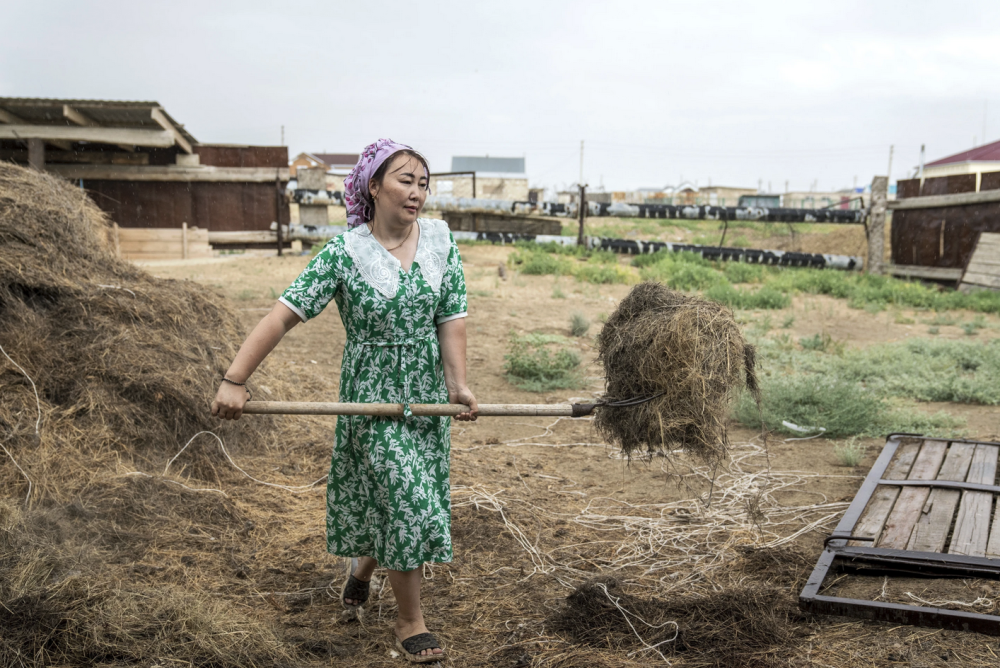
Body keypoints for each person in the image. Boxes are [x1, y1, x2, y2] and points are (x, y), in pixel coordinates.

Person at [211, 138, 477, 663]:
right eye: (405, 180)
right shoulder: (344, 253)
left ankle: (362, 568)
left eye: (424, 183)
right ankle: (409, 621)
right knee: (405, 497)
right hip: (370, 396)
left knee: (407, 497)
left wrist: (458, 385)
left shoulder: (441, 243)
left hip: (422, 396)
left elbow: (452, 321)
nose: (417, 192)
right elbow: (283, 315)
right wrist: (235, 379)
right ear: (373, 186)